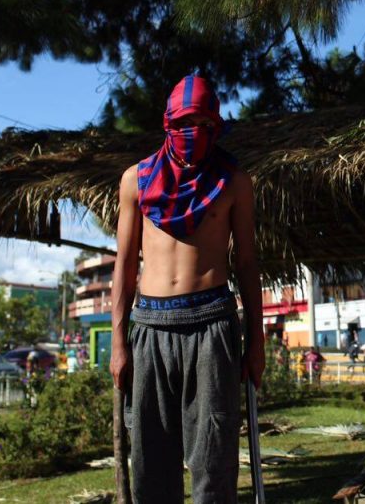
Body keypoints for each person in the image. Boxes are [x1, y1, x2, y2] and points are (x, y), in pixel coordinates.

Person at [110, 74, 264, 504]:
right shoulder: (135, 180)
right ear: (167, 124)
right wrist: (118, 344)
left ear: (215, 125)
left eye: (200, 122)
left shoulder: (235, 182)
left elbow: (247, 263)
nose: (190, 133)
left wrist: (257, 340)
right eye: (181, 123)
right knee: (150, 463)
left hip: (212, 324)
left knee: (214, 463)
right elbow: (123, 265)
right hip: (151, 328)